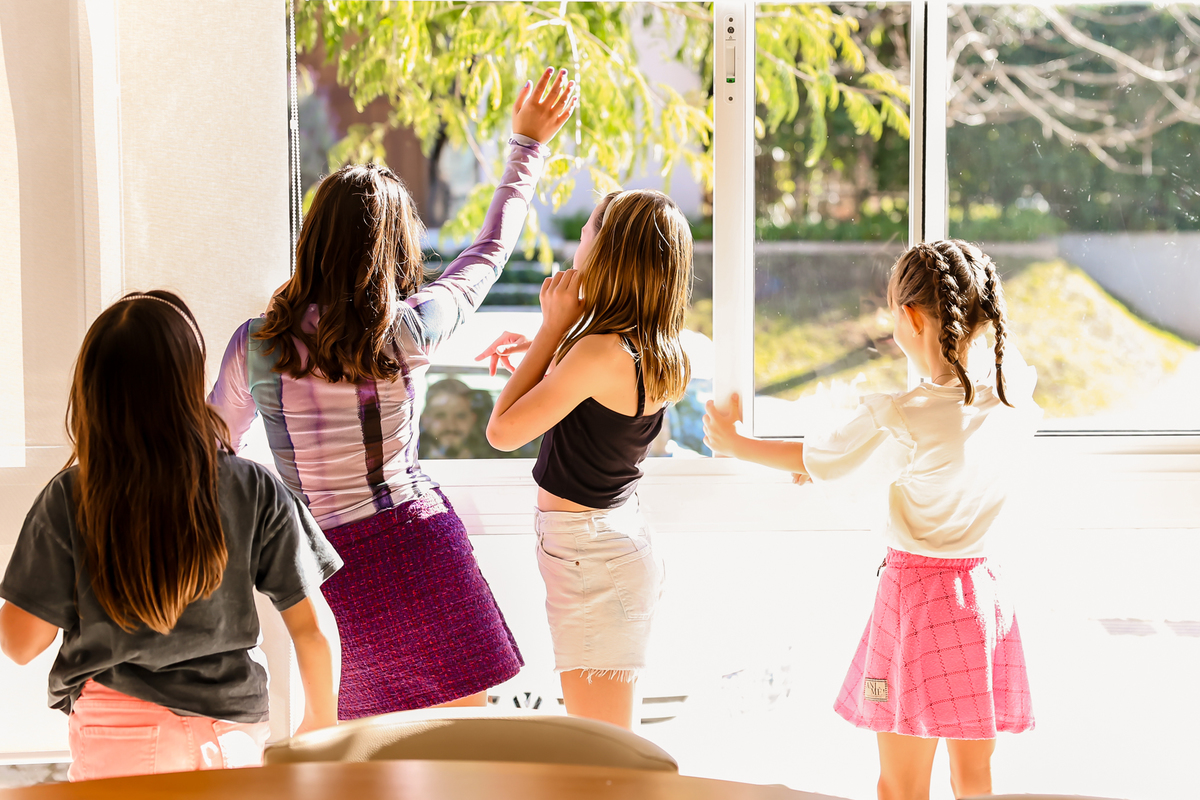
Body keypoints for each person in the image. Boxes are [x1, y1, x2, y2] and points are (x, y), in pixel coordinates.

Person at [209, 68, 578, 719]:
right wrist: (526, 146)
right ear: (394, 246)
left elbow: (215, 448)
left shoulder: (257, 345)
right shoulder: (409, 330)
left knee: (363, 752)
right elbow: (488, 252)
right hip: (417, 545)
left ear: (313, 240)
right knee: (462, 748)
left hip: (322, 568)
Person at [703, 240, 1040, 800]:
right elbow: (926, 467)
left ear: (909, 317)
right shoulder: (1008, 398)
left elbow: (824, 457)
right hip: (982, 599)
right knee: (974, 779)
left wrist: (735, 442)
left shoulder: (909, 415)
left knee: (901, 785)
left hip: (919, 605)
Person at [0, 291, 341, 782]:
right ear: (189, 383)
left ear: (93, 390)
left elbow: (21, 643)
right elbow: (311, 629)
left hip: (119, 737)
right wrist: (320, 724)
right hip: (230, 737)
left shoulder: (72, 496)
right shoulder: (253, 486)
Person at [478, 189, 692, 729]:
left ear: (608, 253)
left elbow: (502, 432)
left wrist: (550, 331)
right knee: (608, 747)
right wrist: (548, 349)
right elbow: (585, 403)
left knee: (606, 753)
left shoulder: (598, 353)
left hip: (593, 558)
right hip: (606, 547)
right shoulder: (656, 346)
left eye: (587, 230)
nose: (578, 238)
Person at [419, 378, 500, 459]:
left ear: (473, 419)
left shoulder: (496, 458)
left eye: (460, 416)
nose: (451, 426)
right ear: (425, 420)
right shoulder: (412, 457)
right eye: (440, 415)